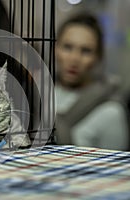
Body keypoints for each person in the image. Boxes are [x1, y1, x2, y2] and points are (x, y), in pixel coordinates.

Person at [55, 13, 129, 150]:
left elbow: (114, 169)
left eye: (86, 51)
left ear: (98, 57)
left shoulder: (111, 111)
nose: (74, 59)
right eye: (67, 47)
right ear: (55, 49)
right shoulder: (38, 95)